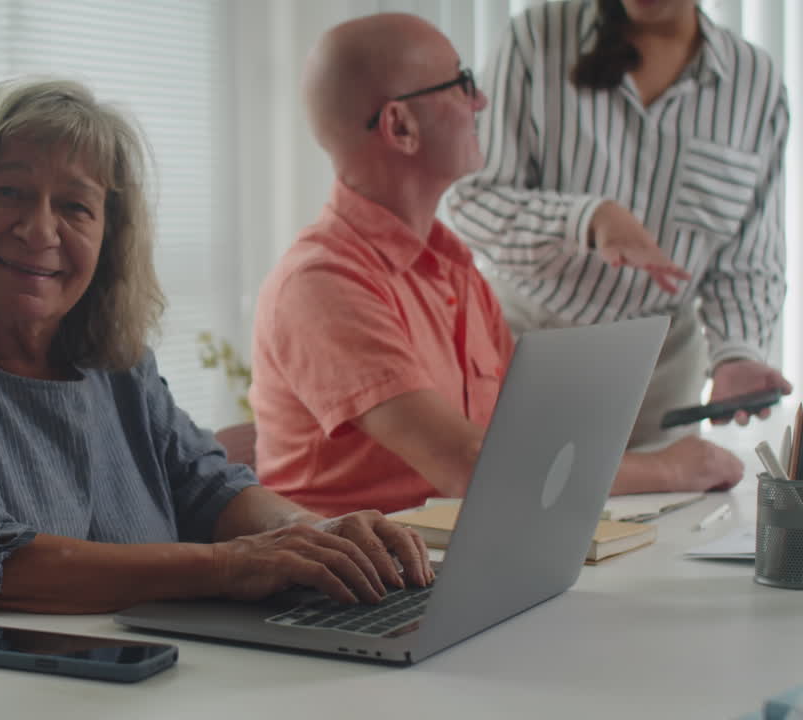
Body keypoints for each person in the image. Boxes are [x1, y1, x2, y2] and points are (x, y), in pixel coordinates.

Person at [0, 77, 433, 656]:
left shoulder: (107, 355)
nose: (41, 230)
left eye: (75, 206)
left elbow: (205, 487)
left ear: (108, 236)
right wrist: (233, 566)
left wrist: (315, 536)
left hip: (96, 680)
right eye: (8, 192)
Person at [250, 13, 743, 517]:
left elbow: (522, 439)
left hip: (460, 547)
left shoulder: (454, 268)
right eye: (462, 85)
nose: (481, 102)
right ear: (401, 126)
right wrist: (669, 469)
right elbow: (470, 464)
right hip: (366, 566)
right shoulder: (321, 284)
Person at [444, 0, 792, 450]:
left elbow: (750, 256)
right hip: (527, 345)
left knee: (669, 498)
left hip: (661, 377)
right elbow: (473, 200)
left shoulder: (754, 82)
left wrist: (737, 352)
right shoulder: (537, 37)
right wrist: (585, 220)